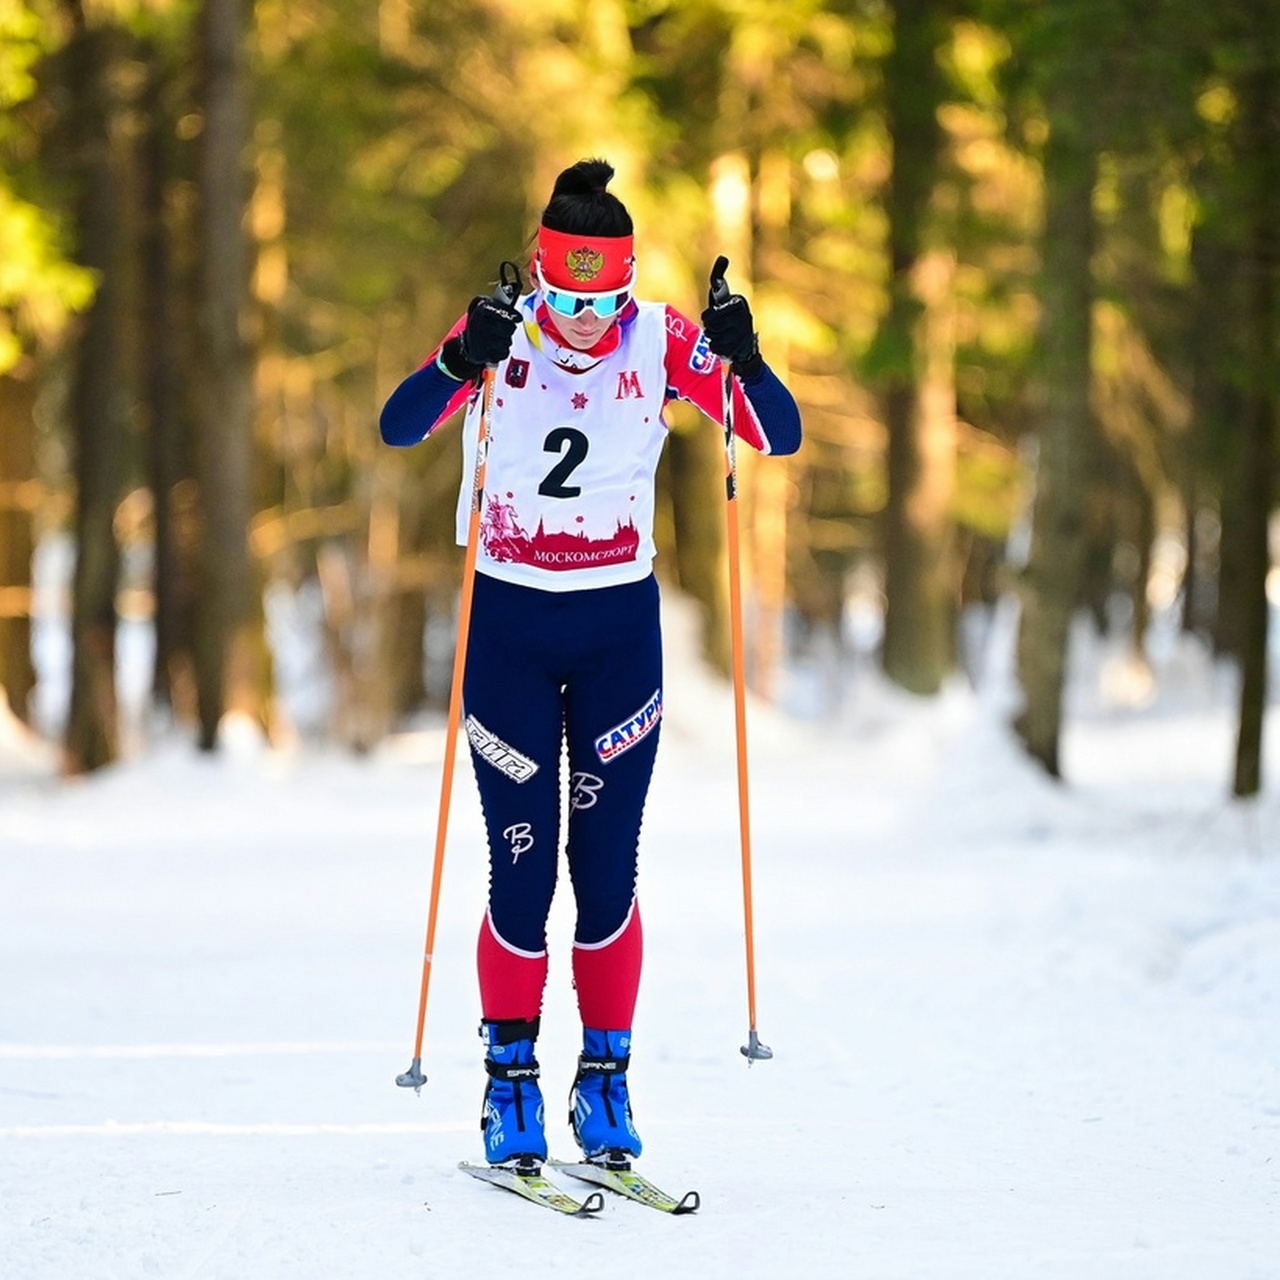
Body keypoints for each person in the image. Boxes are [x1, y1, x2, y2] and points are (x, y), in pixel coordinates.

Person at [380, 158, 801, 1173]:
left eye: (600, 298)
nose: (580, 319)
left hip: (618, 630)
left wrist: (743, 356)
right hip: (509, 630)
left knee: (604, 868)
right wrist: (453, 364)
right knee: (521, 869)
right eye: (564, 297)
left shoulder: (659, 338)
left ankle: (604, 1077)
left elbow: (773, 433)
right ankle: (509, 1080)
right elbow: (399, 424)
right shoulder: (499, 330)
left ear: (625, 284)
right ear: (539, 274)